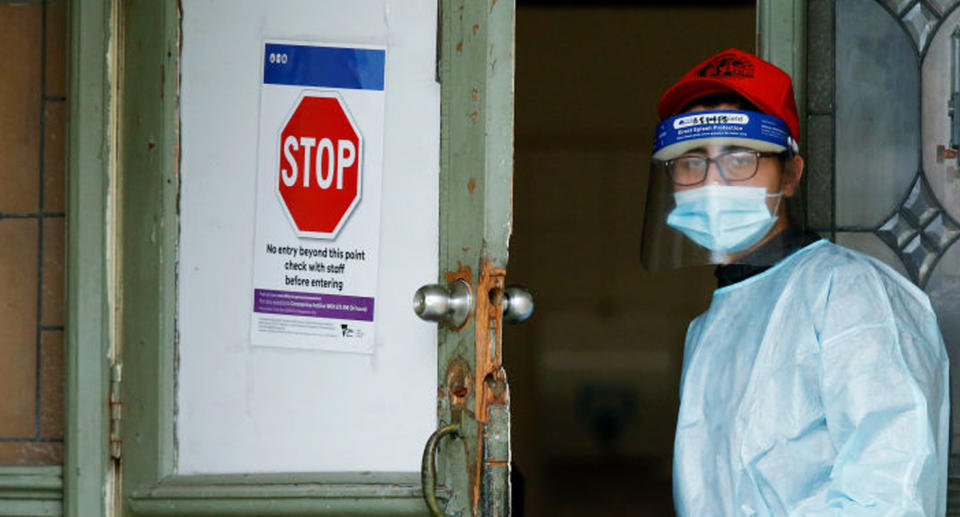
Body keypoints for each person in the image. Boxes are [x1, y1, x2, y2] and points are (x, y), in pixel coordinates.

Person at [642, 49, 950, 516]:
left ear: (789, 175)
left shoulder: (849, 296)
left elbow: (890, 494)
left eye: (741, 158)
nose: (713, 182)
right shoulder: (709, 327)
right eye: (691, 161)